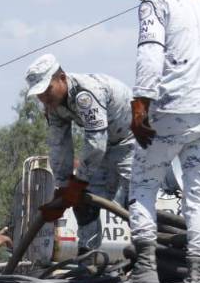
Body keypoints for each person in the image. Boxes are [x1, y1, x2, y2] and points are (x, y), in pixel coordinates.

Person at [114, 0, 200, 283]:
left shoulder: (155, 1)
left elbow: (150, 54)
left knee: (142, 186)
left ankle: (145, 270)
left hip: (171, 110)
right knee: (198, 197)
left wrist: (140, 103)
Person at [24, 54, 135, 253]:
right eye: (39, 94)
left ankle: (147, 259)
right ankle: (88, 259)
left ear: (62, 78)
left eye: (47, 90)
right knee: (84, 203)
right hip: (105, 149)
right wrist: (64, 186)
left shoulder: (86, 94)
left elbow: (96, 143)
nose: (44, 98)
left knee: (134, 203)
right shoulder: (54, 106)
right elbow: (59, 145)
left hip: (131, 142)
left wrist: (79, 181)